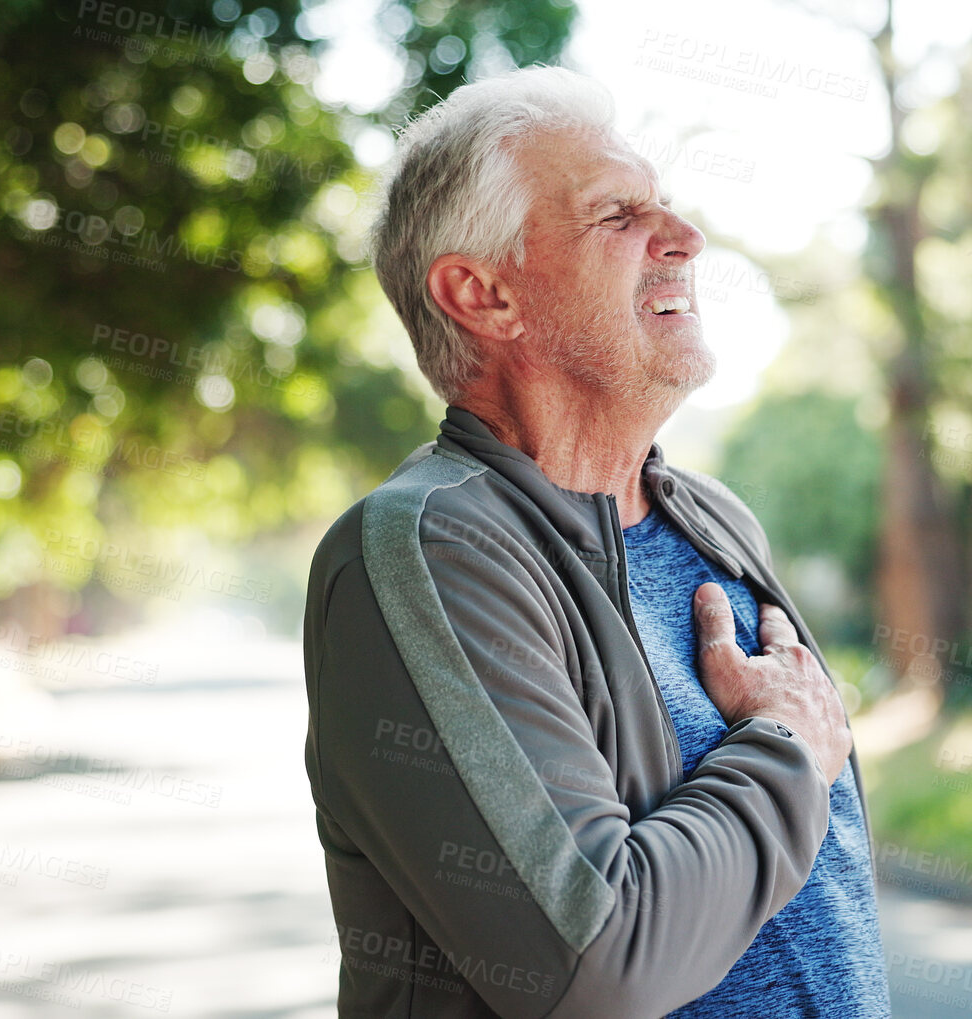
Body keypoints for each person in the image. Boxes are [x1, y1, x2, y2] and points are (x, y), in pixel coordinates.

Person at [301, 63, 889, 1018]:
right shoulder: (426, 549)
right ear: (483, 294)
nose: (685, 237)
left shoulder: (713, 520)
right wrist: (784, 744)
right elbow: (591, 964)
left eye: (663, 204)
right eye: (617, 214)